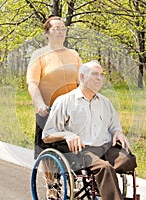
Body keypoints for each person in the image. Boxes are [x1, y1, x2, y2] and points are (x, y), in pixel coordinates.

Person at [42, 60, 137, 200]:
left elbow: (114, 127)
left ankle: (104, 186)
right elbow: (47, 134)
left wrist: (118, 132)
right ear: (82, 77)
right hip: (81, 151)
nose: (99, 78)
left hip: (104, 147)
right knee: (105, 169)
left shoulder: (105, 103)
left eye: (101, 75)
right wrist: (67, 135)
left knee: (128, 161)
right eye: (94, 74)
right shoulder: (65, 101)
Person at [26, 16, 82, 159]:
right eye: (56, 29)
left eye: (63, 29)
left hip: (71, 109)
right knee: (47, 148)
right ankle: (50, 180)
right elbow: (32, 83)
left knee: (73, 147)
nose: (60, 32)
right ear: (47, 33)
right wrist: (39, 104)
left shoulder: (73, 55)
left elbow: (81, 82)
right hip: (48, 109)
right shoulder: (39, 55)